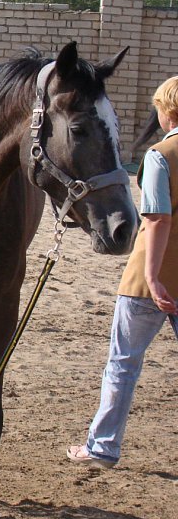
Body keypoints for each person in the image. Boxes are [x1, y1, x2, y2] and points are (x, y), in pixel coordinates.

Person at [67, 75, 178, 468]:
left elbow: (157, 221)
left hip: (152, 278)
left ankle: (103, 446)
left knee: (123, 363)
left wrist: (152, 277)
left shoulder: (161, 155)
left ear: (166, 112)